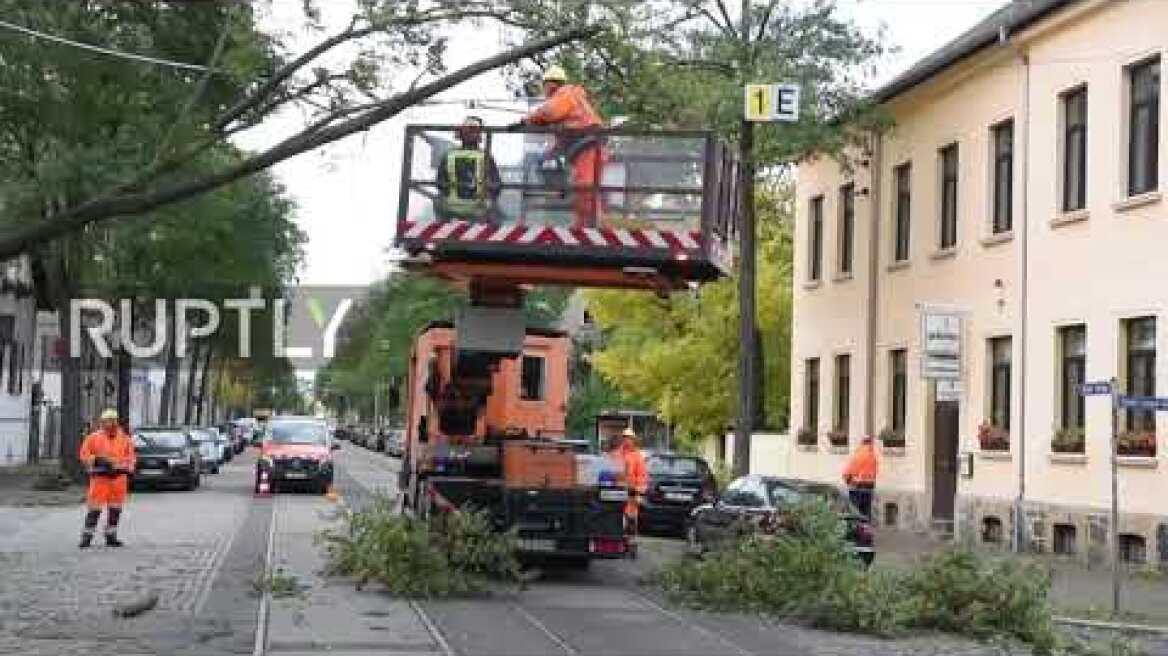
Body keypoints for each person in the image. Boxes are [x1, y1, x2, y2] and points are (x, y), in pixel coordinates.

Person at [518, 65, 607, 228]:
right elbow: (561, 131)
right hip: (581, 145)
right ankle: (565, 196)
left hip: (588, 145)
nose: (544, 90)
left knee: (585, 188)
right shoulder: (568, 99)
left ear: (550, 84)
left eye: (545, 86)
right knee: (546, 161)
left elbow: (549, 112)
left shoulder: (565, 93)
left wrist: (528, 120)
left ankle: (590, 227)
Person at [78, 408, 136, 548]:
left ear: (116, 422)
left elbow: (131, 458)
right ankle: (87, 537)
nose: (109, 424)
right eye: (106, 422)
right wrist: (97, 460)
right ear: (102, 423)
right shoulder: (93, 438)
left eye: (112, 421)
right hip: (100, 478)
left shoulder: (125, 439)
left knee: (115, 510)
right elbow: (84, 455)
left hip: (118, 479)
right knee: (94, 509)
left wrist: (126, 469)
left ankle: (111, 536)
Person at [435, 116, 502, 221]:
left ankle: (442, 229)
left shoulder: (449, 155)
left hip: (451, 207)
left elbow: (440, 183)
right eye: (470, 131)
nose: (471, 134)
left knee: (438, 200)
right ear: (480, 136)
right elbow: (496, 185)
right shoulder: (485, 156)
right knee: (497, 212)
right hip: (480, 208)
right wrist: (489, 193)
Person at [842, 435, 879, 521]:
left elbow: (849, 470)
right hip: (869, 487)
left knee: (855, 511)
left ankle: (857, 528)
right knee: (866, 510)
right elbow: (876, 471)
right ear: (870, 443)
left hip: (857, 487)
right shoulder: (873, 456)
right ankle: (866, 527)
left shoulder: (859, 454)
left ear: (862, 442)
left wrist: (847, 479)